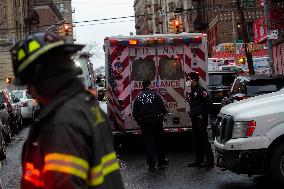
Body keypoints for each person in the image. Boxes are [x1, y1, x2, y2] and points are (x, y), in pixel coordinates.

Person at [10, 32, 125, 189]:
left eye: (28, 82)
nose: (29, 89)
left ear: (42, 78)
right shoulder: (87, 107)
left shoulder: (60, 122)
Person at [133, 79, 169, 171]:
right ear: (150, 85)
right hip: (156, 122)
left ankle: (152, 165)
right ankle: (161, 161)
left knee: (149, 144)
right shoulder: (156, 96)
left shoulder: (138, 98)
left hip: (145, 123)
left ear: (142, 86)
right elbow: (163, 110)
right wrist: (161, 117)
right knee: (159, 142)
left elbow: (135, 114)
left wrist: (140, 122)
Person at [186, 72, 214, 168]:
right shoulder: (193, 91)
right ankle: (198, 160)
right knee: (196, 140)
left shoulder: (201, 90)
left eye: (189, 79)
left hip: (200, 119)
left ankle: (210, 161)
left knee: (204, 140)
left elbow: (209, 104)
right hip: (194, 118)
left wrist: (203, 115)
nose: (188, 81)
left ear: (194, 80)